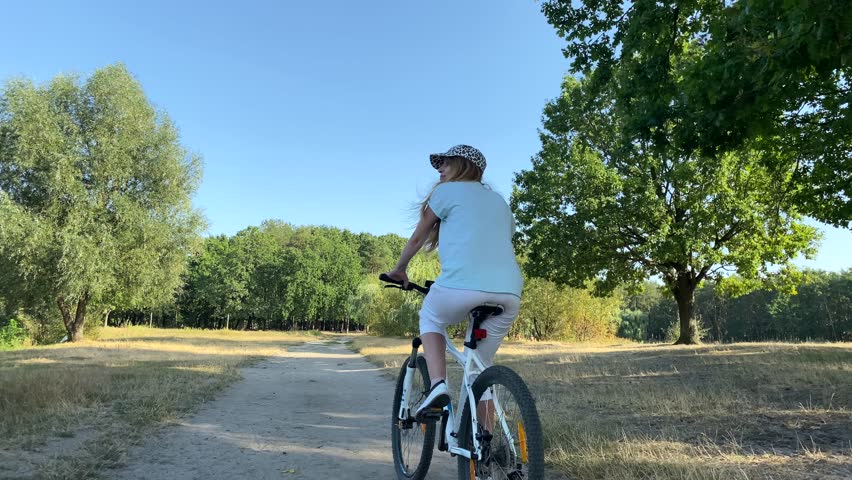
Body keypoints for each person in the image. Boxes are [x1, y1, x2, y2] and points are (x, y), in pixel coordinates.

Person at [382, 144, 523, 419]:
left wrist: (400, 269)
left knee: (431, 317)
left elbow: (417, 237)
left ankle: (437, 385)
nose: (439, 170)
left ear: (462, 165)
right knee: (479, 371)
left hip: (462, 286)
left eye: (444, 163)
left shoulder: (447, 192)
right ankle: (485, 450)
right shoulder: (500, 202)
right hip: (509, 292)